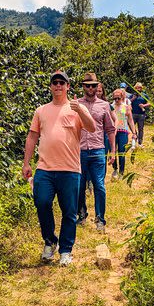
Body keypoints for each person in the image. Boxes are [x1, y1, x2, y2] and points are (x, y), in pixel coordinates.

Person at [23, 71, 96, 266]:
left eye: (61, 83)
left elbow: (91, 128)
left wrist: (80, 110)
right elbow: (32, 137)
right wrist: (26, 162)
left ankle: (66, 250)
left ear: (68, 86)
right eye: (54, 82)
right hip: (44, 169)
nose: (58, 86)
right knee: (42, 202)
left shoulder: (76, 108)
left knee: (69, 212)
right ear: (50, 86)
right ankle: (49, 241)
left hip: (70, 169)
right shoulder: (41, 110)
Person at [76, 73, 116, 234]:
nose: (91, 88)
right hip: (79, 151)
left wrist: (113, 151)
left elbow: (110, 129)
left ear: (97, 86)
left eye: (93, 85)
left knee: (99, 185)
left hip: (98, 150)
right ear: (83, 86)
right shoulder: (76, 104)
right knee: (79, 186)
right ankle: (81, 214)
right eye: (87, 85)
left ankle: (100, 218)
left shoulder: (104, 105)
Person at [112, 89, 137, 178]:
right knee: (113, 151)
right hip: (113, 132)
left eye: (118, 98)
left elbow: (130, 120)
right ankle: (115, 169)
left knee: (121, 152)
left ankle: (121, 172)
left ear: (122, 97)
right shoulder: (111, 106)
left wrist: (134, 132)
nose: (117, 100)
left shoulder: (124, 107)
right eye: (115, 98)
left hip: (123, 131)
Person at [130, 82, 150, 148]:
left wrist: (144, 105)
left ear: (142, 88)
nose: (138, 89)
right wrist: (133, 98)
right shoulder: (132, 95)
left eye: (140, 87)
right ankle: (134, 140)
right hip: (133, 114)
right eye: (137, 87)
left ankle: (140, 143)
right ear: (135, 88)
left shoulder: (144, 95)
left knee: (141, 129)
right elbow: (127, 102)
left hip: (141, 115)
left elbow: (150, 103)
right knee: (133, 129)